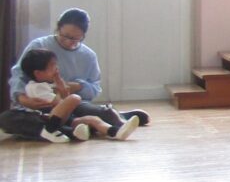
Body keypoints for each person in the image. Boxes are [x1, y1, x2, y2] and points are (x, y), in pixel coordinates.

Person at [1, 7, 148, 140]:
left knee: (97, 112)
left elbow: (95, 88)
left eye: (76, 38)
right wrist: (22, 98)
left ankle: (109, 120)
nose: (69, 42)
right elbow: (19, 74)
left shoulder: (88, 56)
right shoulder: (39, 46)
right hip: (38, 109)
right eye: (65, 36)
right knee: (7, 119)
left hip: (73, 106)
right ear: (58, 28)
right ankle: (76, 128)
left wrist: (78, 86)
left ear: (83, 35)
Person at [16, 48, 138, 141]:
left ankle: (116, 132)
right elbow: (58, 103)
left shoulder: (48, 84)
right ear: (38, 73)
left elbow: (64, 98)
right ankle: (53, 130)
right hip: (50, 119)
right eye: (52, 66)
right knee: (75, 98)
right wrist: (59, 88)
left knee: (93, 119)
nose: (56, 68)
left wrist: (59, 84)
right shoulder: (35, 88)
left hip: (66, 118)